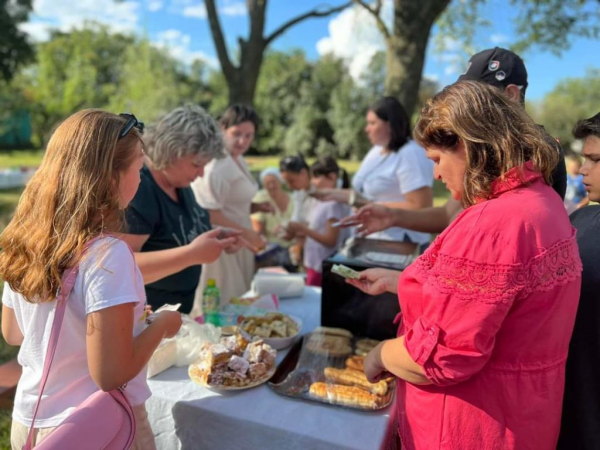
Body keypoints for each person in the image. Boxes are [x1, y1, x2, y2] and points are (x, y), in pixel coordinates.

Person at [347, 82, 581, 449]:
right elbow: (494, 302)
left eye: (438, 160)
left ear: (468, 143)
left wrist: (379, 355)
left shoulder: (494, 222)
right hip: (523, 416)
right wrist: (404, 281)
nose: (437, 176)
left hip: (473, 425)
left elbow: (438, 358)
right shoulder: (542, 200)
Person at [0, 110, 183, 449]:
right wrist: (162, 324)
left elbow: (13, 332)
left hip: (30, 420)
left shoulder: (28, 240)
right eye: (138, 168)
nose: (141, 179)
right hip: (94, 426)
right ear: (111, 178)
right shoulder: (107, 255)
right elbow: (110, 374)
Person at [339, 47, 568, 237]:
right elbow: (448, 215)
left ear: (510, 95)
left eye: (476, 96)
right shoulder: (483, 151)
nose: (465, 107)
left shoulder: (539, 152)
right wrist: (392, 216)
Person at [122, 105, 249, 315]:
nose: (200, 174)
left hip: (176, 320)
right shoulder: (140, 188)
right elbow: (120, 267)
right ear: (172, 151)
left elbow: (181, 232)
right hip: (144, 323)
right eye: (196, 164)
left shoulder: (178, 183)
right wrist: (192, 254)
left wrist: (216, 237)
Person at [312, 96, 434, 248]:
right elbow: (360, 195)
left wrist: (371, 205)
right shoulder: (376, 151)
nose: (366, 129)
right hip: (372, 241)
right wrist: (328, 193)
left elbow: (421, 206)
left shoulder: (410, 154)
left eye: (372, 123)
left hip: (401, 245)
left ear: (390, 124)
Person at [192, 104, 272, 305]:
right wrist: (249, 233)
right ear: (222, 129)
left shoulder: (237, 158)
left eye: (248, 135)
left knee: (239, 299)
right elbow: (210, 213)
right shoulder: (218, 164)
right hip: (222, 244)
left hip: (239, 239)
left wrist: (255, 207)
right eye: (236, 134)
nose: (243, 141)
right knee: (225, 302)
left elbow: (230, 202)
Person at [558, 112, 600, 449]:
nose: (583, 169)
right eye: (584, 158)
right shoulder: (584, 215)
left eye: (596, 160)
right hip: (566, 404)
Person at [286, 157, 351, 286]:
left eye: (316, 177)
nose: (313, 182)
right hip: (314, 263)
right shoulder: (322, 201)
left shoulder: (333, 205)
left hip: (323, 267)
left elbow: (330, 240)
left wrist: (304, 229)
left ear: (332, 177)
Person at [251, 168, 296, 270]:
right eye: (267, 183)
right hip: (271, 247)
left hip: (294, 245)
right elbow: (258, 232)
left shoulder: (293, 199)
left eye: (274, 182)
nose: (271, 186)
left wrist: (292, 232)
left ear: (281, 182)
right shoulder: (260, 198)